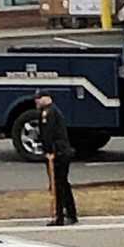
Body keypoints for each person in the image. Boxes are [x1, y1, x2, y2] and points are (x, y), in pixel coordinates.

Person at [35, 90, 78, 226]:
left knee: (58, 185)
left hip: (58, 154)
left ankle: (60, 216)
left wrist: (48, 152)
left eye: (38, 98)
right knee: (62, 183)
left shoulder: (48, 113)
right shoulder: (52, 111)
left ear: (46, 99)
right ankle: (70, 213)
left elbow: (48, 135)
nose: (36, 101)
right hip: (62, 152)